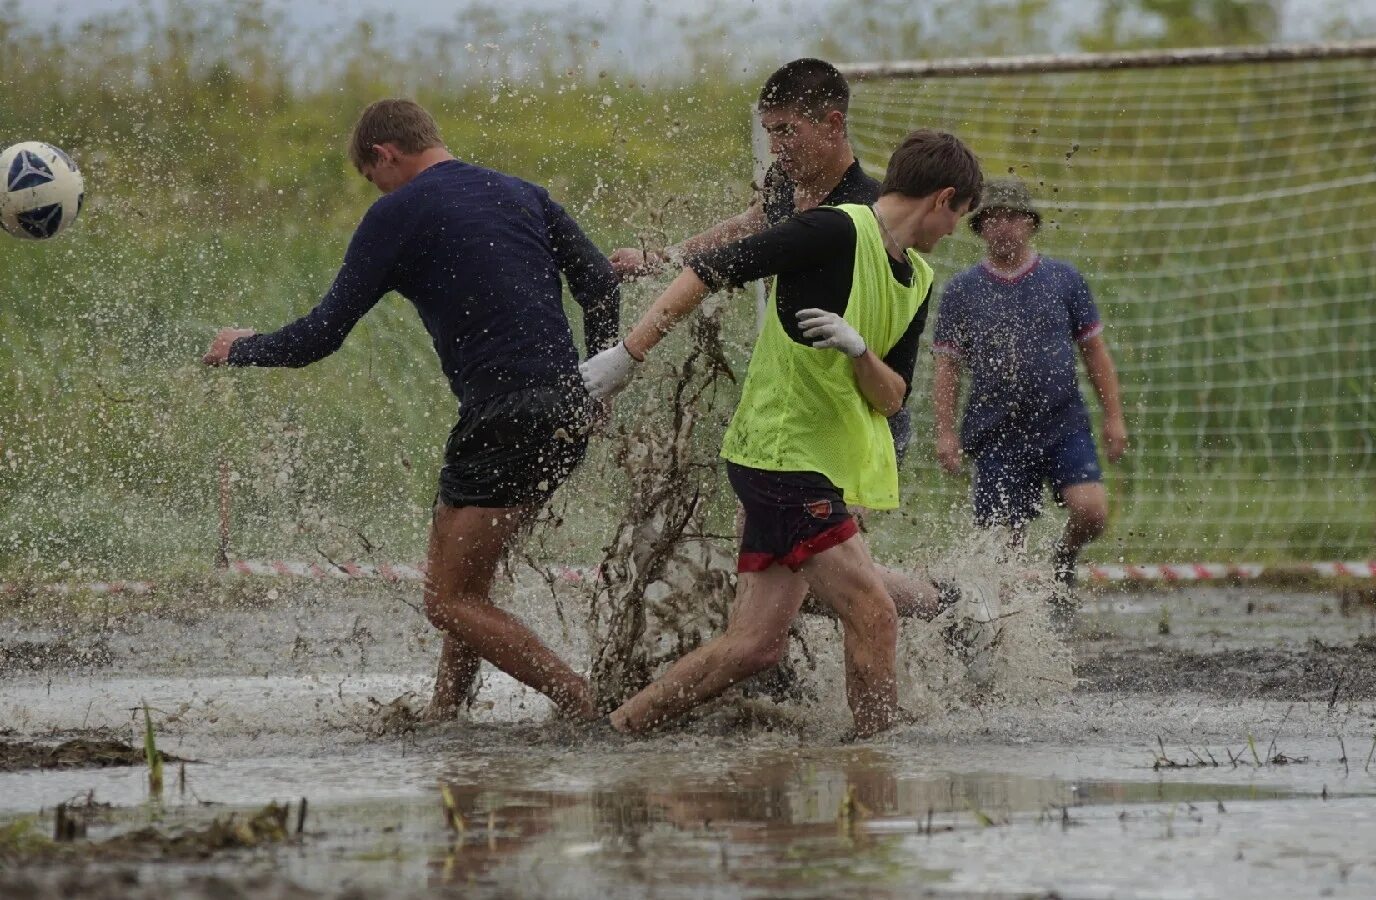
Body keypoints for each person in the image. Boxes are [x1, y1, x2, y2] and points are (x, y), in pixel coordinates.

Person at [202, 99, 619, 722]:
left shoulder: (395, 213)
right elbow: (601, 283)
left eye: (373, 177)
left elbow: (320, 336)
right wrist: (598, 381)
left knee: (448, 600)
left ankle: (587, 705)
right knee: (465, 583)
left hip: (502, 416)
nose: (378, 187)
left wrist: (241, 349)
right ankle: (445, 715)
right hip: (565, 409)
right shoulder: (521, 193)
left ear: (385, 155)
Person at [582, 130, 984, 737]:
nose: (955, 232)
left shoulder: (920, 277)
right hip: (783, 458)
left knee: (753, 646)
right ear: (943, 198)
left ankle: (615, 728)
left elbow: (892, 396)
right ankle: (874, 765)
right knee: (873, 613)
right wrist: (628, 355)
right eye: (959, 216)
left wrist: (858, 351)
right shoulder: (833, 229)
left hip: (817, 465)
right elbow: (708, 270)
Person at [611, 57, 972, 631]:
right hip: (799, 414)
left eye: (787, 131)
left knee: (824, 576)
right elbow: (750, 226)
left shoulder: (868, 208)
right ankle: (791, 660)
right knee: (786, 567)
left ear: (832, 124)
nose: (775, 145)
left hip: (859, 408)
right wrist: (661, 259)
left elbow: (898, 309)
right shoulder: (786, 183)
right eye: (770, 130)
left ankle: (939, 610)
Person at [932, 178, 1128, 616]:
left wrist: (1113, 417)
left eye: (1014, 217)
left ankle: (1063, 557)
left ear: (1031, 224)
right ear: (980, 226)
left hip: (1063, 423)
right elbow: (947, 366)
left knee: (1092, 511)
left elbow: (1094, 350)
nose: (1005, 226)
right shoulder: (962, 291)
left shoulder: (1064, 279)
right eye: (995, 218)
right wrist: (945, 433)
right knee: (1005, 548)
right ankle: (1016, 632)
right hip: (996, 432)